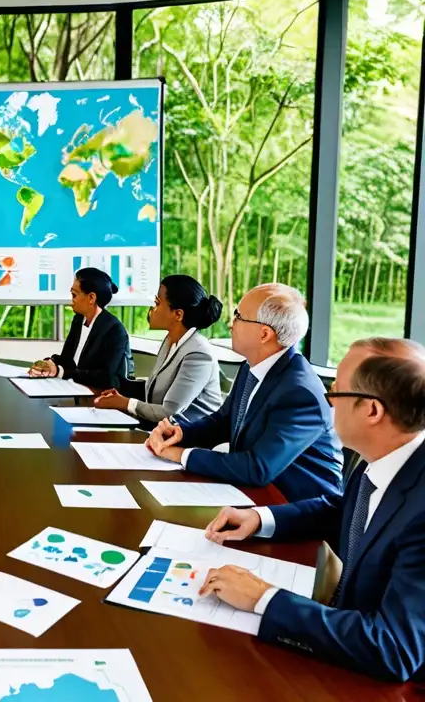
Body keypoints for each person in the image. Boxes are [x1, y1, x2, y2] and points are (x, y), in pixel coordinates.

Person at [201, 338, 425, 682]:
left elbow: (393, 648)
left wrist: (265, 598)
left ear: (372, 411)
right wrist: (261, 518)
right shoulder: (385, 457)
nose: (326, 399)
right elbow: (344, 510)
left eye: (335, 391)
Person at [146, 283, 342, 502]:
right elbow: (224, 421)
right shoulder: (252, 365)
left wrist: (181, 455)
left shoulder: (300, 393)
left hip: (296, 509)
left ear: (265, 333)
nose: (231, 324)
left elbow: (257, 468)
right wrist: (180, 434)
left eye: (239, 316)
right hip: (252, 495)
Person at [94, 274, 223, 424]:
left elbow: (169, 412)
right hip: (161, 430)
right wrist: (119, 392)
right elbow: (156, 389)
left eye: (157, 303)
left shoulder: (198, 354)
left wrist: (124, 403)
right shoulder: (171, 340)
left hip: (190, 437)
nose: (152, 310)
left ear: (178, 314)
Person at [27, 267, 133, 389]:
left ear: (91, 298)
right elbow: (67, 359)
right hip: (74, 389)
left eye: (74, 295)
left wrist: (60, 372)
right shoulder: (78, 320)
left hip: (98, 397)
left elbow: (105, 377)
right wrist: (49, 363)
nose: (72, 300)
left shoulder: (114, 330)